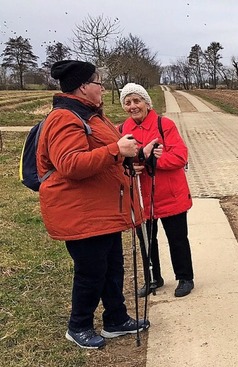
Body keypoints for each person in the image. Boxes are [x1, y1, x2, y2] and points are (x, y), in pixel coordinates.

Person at [37, 60, 155, 349]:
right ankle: (78, 325)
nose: (102, 87)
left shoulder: (92, 116)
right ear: (82, 87)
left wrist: (127, 156)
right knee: (91, 272)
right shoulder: (64, 119)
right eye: (98, 82)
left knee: (112, 266)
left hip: (103, 210)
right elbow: (69, 163)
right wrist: (116, 150)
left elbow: (103, 153)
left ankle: (116, 319)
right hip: (81, 213)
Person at [119, 83, 195, 298]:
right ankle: (153, 278)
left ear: (146, 103)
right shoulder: (124, 129)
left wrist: (153, 161)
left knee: (177, 239)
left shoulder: (164, 125)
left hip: (170, 195)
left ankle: (185, 277)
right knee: (147, 240)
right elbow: (122, 159)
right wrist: (130, 165)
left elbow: (180, 157)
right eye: (128, 102)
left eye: (137, 101)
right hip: (142, 197)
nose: (133, 106)